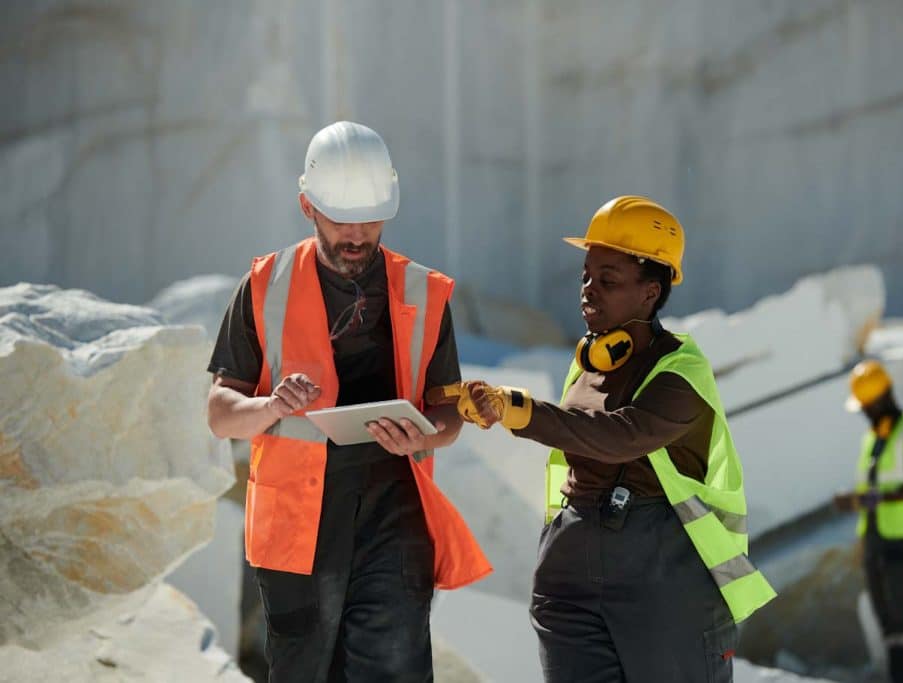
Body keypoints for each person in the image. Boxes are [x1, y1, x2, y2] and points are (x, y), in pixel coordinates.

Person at [430, 196, 775, 682]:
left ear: (650, 292)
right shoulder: (590, 363)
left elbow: (618, 437)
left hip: (663, 582)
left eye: (608, 280)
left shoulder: (680, 371)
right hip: (571, 572)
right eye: (586, 276)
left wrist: (518, 410)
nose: (589, 291)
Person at [206, 121, 490, 682]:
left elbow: (448, 409)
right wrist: (271, 407)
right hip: (297, 528)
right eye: (342, 218)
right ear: (307, 206)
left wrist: (427, 434)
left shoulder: (425, 293)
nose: (357, 234)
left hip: (394, 518)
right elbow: (219, 413)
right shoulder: (264, 285)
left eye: (370, 218)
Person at [834, 360, 903, 683]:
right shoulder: (873, 438)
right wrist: (854, 500)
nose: (862, 412)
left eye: (864, 406)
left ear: (879, 400)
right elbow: (874, 488)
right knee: (886, 617)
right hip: (877, 540)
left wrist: (867, 500)